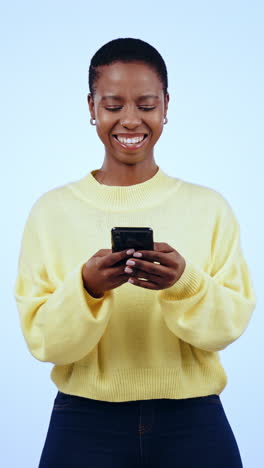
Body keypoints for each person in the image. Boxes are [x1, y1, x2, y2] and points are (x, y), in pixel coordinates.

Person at [14, 37, 256, 468]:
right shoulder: (51, 211)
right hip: (83, 420)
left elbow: (229, 326)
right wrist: (86, 288)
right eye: (112, 105)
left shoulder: (210, 207)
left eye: (145, 104)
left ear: (166, 105)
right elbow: (44, 342)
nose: (130, 120)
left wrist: (185, 283)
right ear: (91, 107)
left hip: (194, 418)